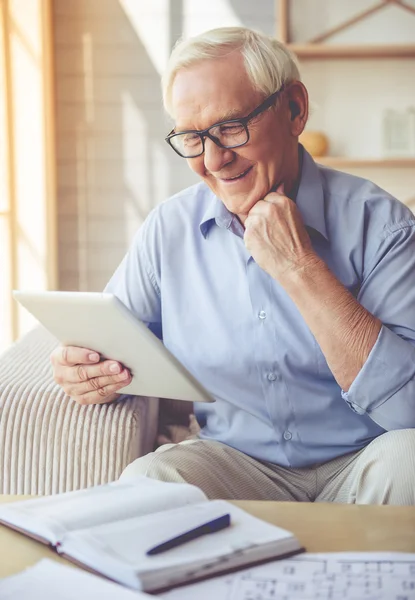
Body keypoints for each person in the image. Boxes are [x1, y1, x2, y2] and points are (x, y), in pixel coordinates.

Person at [51, 27, 415, 505]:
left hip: (364, 461)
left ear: (294, 109)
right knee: (151, 481)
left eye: (230, 128)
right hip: (235, 464)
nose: (214, 159)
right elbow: (113, 341)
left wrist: (299, 268)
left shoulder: (383, 224)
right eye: (192, 137)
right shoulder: (168, 230)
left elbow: (408, 409)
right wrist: (84, 370)